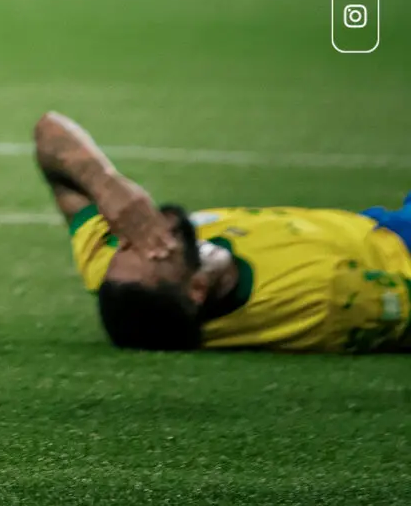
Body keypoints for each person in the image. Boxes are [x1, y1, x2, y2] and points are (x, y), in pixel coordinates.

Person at [34, 112, 411, 354]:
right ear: (197, 289)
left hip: (376, 223)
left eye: (125, 245)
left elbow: (49, 133)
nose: (137, 234)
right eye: (152, 251)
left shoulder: (118, 268)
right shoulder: (318, 299)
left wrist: (105, 184)